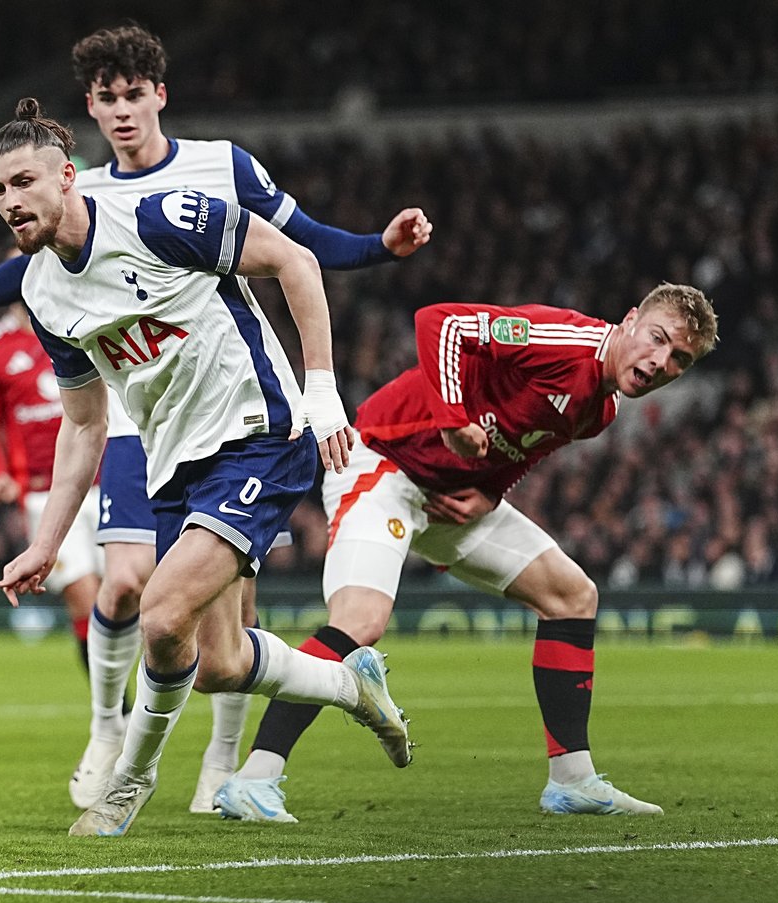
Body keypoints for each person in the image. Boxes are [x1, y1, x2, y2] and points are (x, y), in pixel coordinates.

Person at [0, 23, 432, 814]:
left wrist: (322, 394)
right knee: (216, 661)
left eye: (23, 183)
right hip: (170, 456)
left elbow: (298, 255)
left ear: (67, 176)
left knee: (158, 608)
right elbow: (84, 426)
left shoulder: (165, 211)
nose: (10, 202)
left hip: (257, 430)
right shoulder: (41, 292)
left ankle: (127, 779)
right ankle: (355, 687)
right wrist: (45, 543)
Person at [215, 285, 719, 822]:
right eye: (657, 339)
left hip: (450, 497)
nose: (661, 362)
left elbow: (528, 445)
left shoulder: (601, 409)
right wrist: (453, 419)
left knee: (573, 595)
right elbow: (441, 323)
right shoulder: (564, 341)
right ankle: (254, 778)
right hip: (384, 466)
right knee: (360, 622)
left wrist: (491, 493)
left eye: (679, 359)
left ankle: (572, 781)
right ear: (630, 319)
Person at [0, 300, 104, 669]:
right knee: (83, 596)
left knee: (125, 594)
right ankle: (113, 701)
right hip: (44, 493)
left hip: (107, 479)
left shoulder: (86, 319)